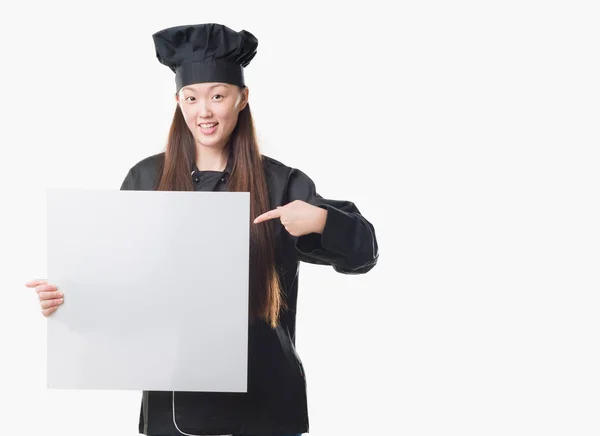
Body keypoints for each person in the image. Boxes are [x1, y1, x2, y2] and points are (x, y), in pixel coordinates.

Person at [25, 23, 379, 436]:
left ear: (242, 98)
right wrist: (69, 304)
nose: (204, 111)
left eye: (217, 95)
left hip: (266, 398)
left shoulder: (280, 183)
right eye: (191, 98)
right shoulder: (146, 179)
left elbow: (364, 253)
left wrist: (321, 220)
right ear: (178, 101)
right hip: (176, 401)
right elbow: (122, 288)